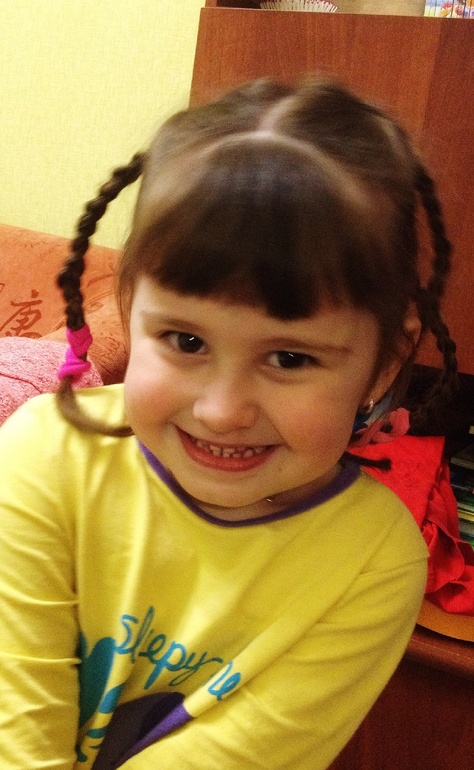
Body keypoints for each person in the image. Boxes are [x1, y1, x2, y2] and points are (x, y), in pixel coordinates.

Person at [0, 77, 458, 770]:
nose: (221, 410)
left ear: (384, 363)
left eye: (290, 358)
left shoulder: (374, 562)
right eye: (185, 341)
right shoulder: (44, 453)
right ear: (129, 313)